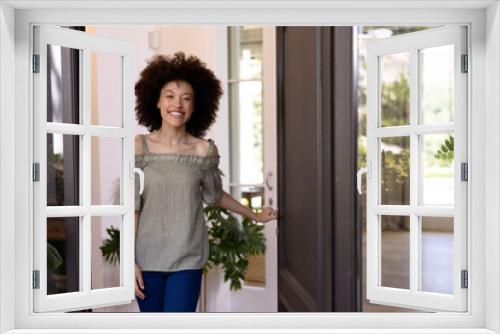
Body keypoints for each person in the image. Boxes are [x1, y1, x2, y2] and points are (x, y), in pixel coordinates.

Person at [133, 52, 278, 312]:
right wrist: (129, 261)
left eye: (186, 98)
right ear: (155, 101)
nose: (178, 104)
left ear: (195, 106)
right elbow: (132, 207)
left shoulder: (204, 150)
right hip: (145, 260)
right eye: (169, 96)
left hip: (188, 259)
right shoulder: (138, 147)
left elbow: (215, 195)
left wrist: (253, 214)